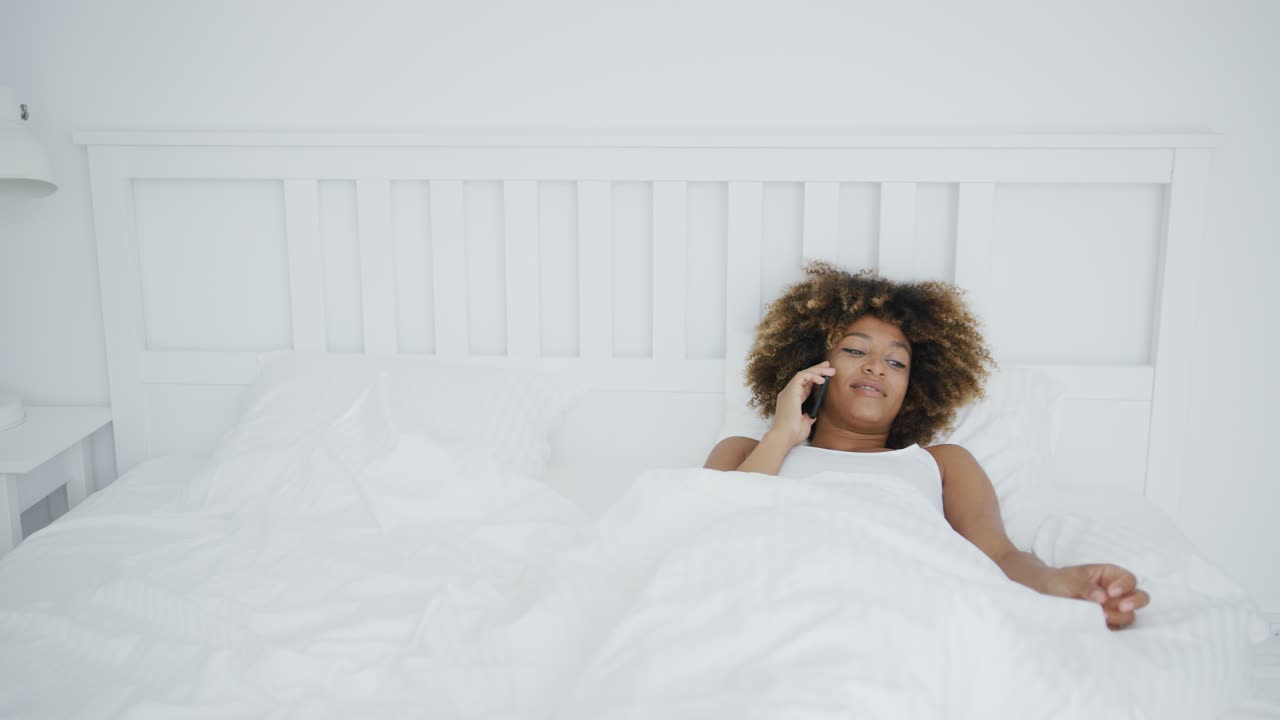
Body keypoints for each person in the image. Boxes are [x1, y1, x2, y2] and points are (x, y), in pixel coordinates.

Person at [704, 262, 1149, 630]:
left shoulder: (942, 463)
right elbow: (707, 538)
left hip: (907, 609)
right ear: (812, 367)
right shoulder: (746, 452)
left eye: (896, 361)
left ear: (913, 389)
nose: (877, 367)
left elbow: (998, 556)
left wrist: (1058, 583)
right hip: (777, 603)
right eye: (856, 352)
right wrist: (782, 436)